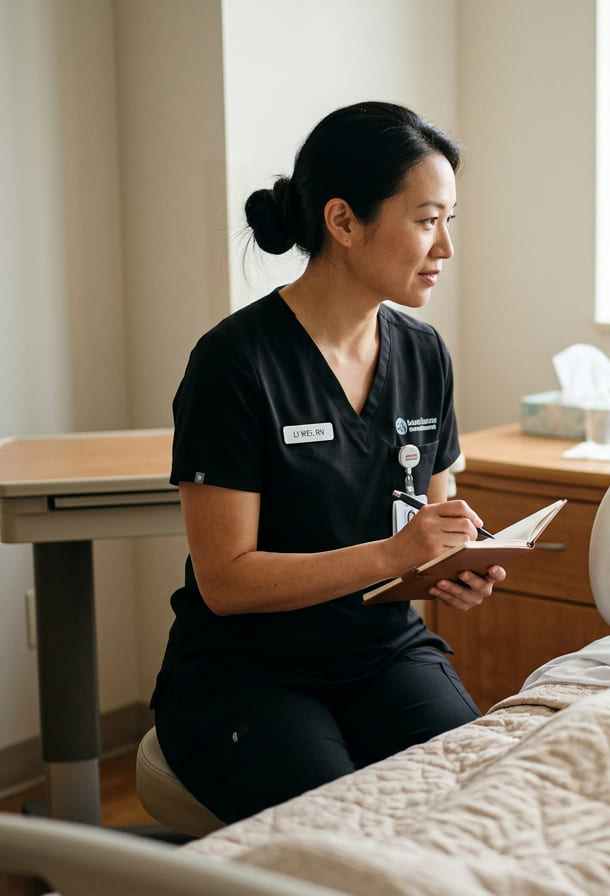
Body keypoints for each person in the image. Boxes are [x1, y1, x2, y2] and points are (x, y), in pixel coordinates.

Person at [151, 101, 503, 823]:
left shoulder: (424, 354)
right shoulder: (235, 363)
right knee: (345, 833)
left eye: (450, 220)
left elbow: (434, 522)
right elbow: (226, 582)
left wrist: (455, 563)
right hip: (249, 674)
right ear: (343, 221)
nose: (446, 247)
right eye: (426, 220)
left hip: (384, 652)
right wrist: (395, 554)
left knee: (482, 802)